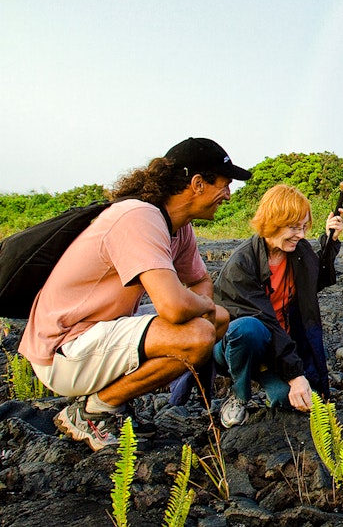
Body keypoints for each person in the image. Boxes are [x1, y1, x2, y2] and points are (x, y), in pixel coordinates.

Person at [19, 137, 250, 450]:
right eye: (223, 185)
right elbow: (173, 307)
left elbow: (199, 284)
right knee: (196, 336)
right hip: (62, 350)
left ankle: (109, 402)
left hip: (97, 335)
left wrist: (199, 306)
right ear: (197, 184)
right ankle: (95, 410)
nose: (227, 194)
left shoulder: (179, 227)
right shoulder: (139, 217)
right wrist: (194, 307)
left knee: (218, 319)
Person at [211, 184, 343, 428]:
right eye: (294, 227)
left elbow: (318, 281)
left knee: (294, 401)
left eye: (304, 227)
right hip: (237, 347)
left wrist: (330, 241)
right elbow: (266, 321)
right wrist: (295, 375)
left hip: (277, 348)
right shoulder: (241, 264)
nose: (301, 235)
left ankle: (272, 383)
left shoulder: (298, 251)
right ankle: (239, 395)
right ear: (272, 223)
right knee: (248, 329)